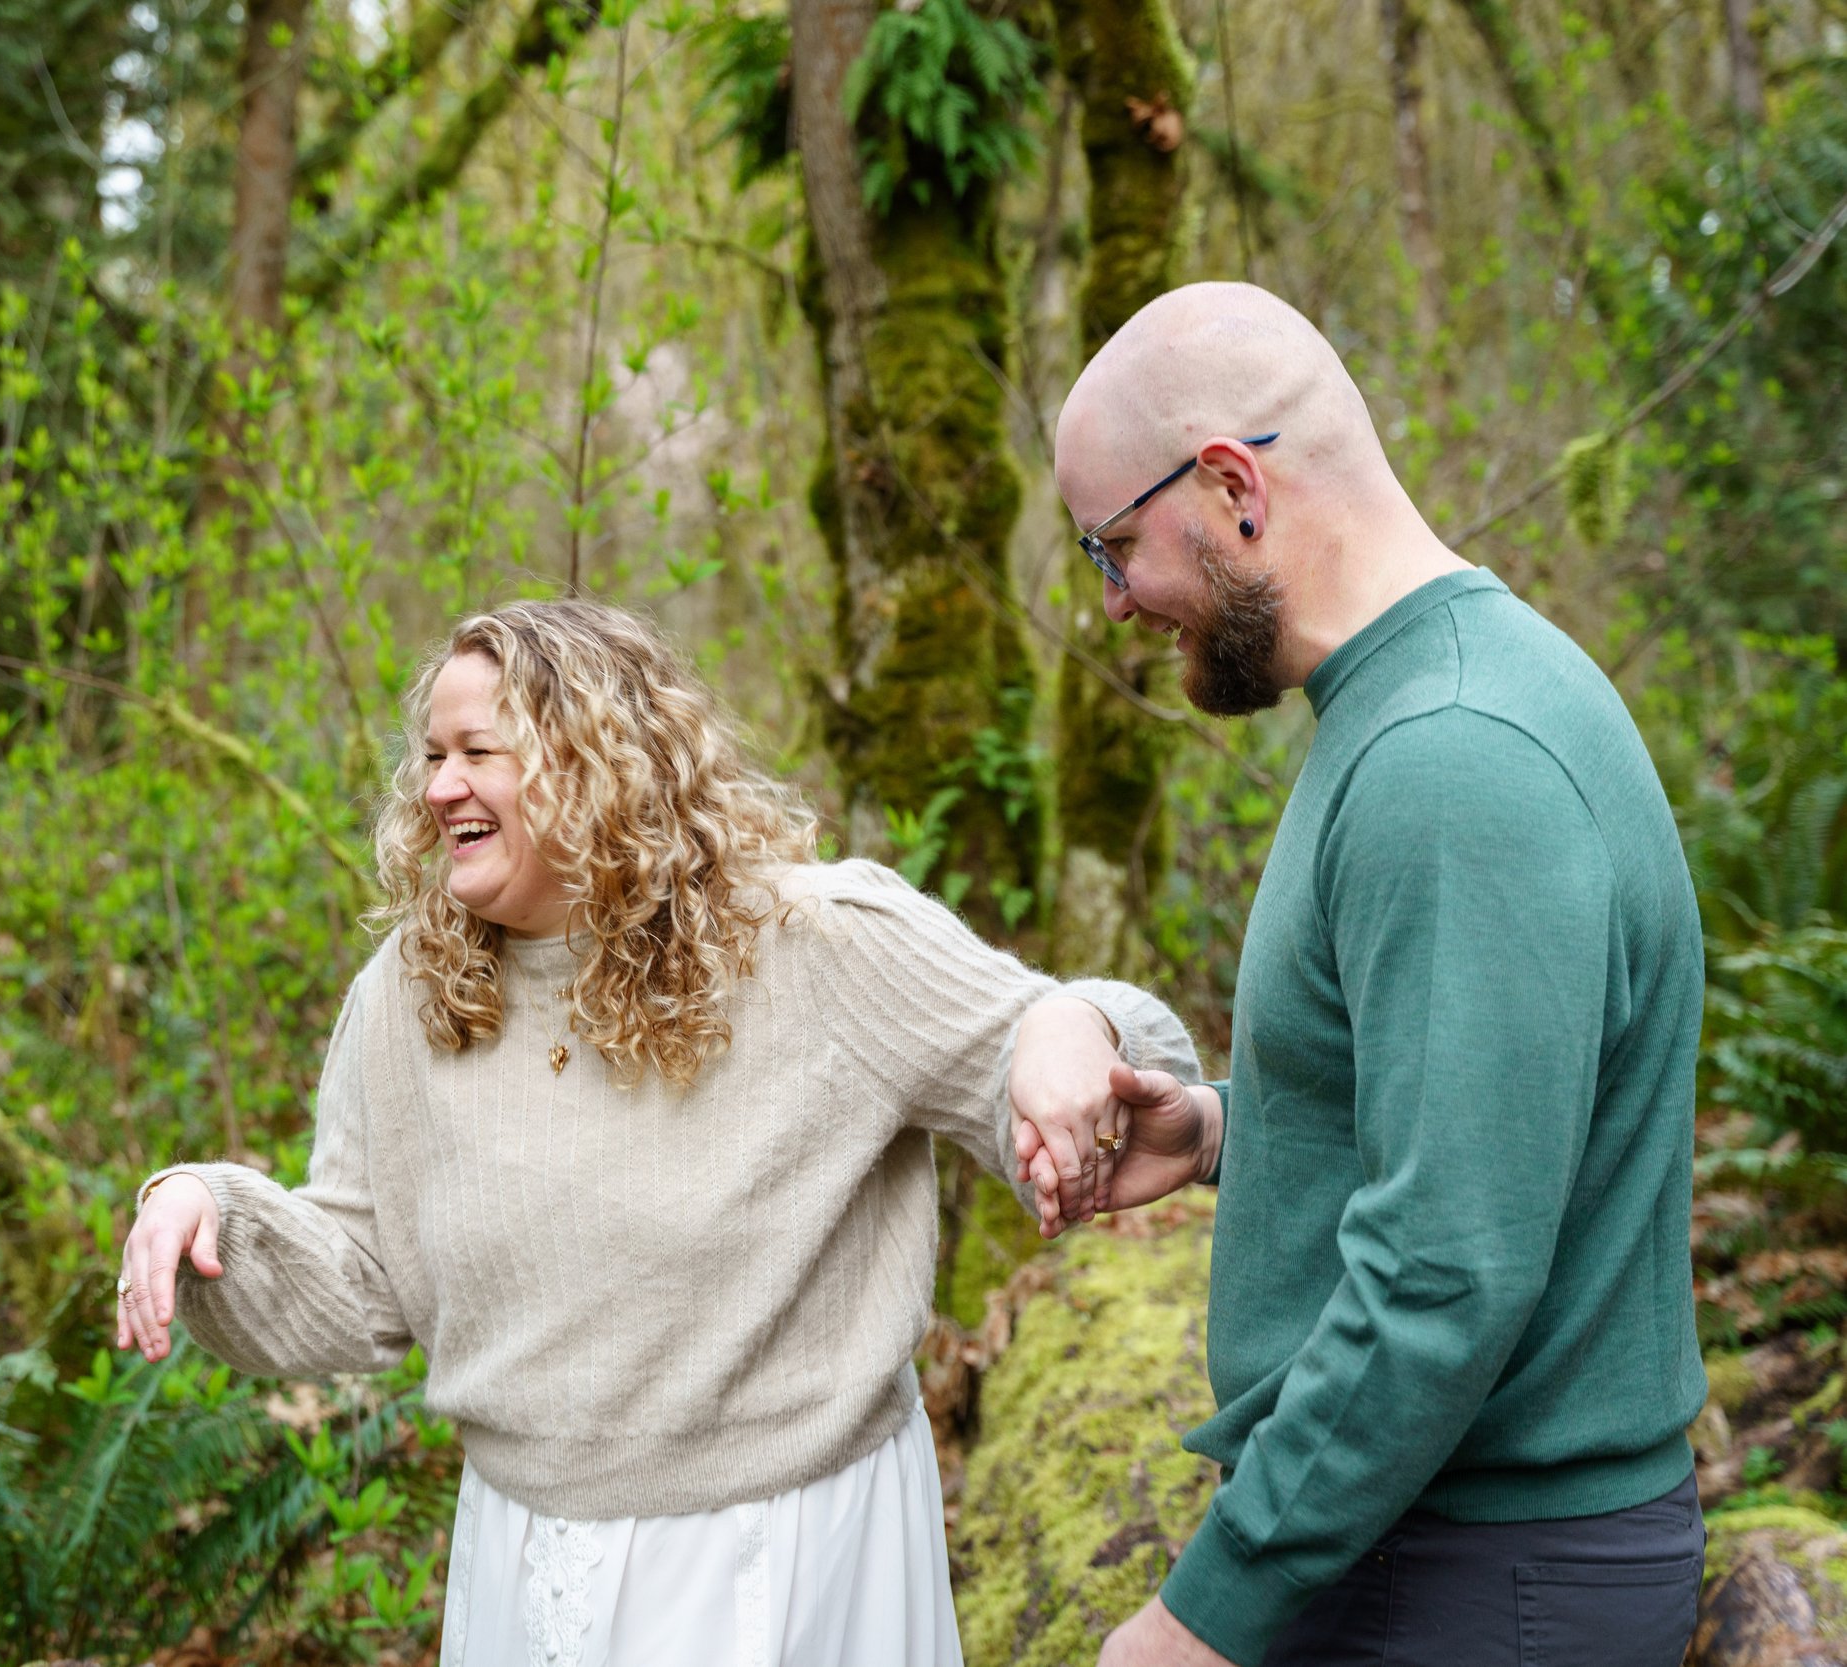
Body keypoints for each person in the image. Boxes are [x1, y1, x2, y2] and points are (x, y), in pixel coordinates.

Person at [114, 598, 1202, 1667]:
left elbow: (1067, 1052)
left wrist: (1075, 1021)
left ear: (594, 760)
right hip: (522, 1559)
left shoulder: (811, 941)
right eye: (431, 755)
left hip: (794, 1555)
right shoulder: (406, 995)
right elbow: (361, 1277)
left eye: (476, 751)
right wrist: (213, 1213)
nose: (438, 785)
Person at [1048, 282, 1710, 1667]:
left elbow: (1446, 1265)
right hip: (1445, 1554)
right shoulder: (1431, 703)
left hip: (1481, 1577)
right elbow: (1491, 1120)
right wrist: (1232, 1126)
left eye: (1114, 548)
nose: (1115, 604)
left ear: (1230, 485)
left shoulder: (1450, 755)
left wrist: (1204, 1610)